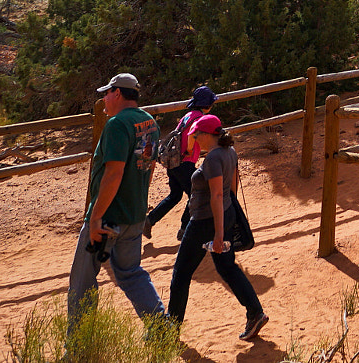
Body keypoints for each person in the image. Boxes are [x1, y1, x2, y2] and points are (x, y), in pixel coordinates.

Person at [68, 72, 166, 325]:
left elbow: (114, 172)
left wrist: (96, 217)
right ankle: (160, 325)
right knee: (131, 273)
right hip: (133, 216)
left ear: (118, 93)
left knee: (83, 281)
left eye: (107, 94)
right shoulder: (150, 123)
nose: (104, 101)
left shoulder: (117, 125)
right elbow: (149, 165)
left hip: (108, 219)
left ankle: (78, 347)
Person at [166, 114, 269, 342]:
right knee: (227, 267)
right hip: (224, 214)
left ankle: (170, 330)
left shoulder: (212, 159)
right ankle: (255, 312)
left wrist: (219, 235)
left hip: (205, 221)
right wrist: (227, 215)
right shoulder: (229, 152)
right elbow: (231, 187)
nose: (194, 138)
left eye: (196, 134)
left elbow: (216, 194)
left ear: (206, 135)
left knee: (181, 274)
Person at [146, 84, 216, 240]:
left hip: (174, 162)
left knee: (175, 195)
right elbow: (192, 134)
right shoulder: (199, 118)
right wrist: (190, 150)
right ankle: (185, 229)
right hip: (185, 162)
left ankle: (150, 220)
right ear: (207, 104)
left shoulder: (188, 115)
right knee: (197, 194)